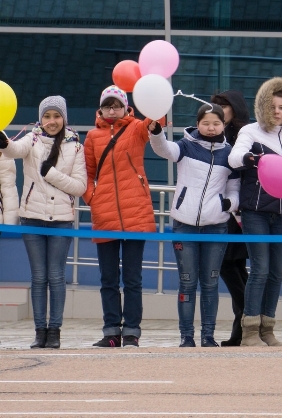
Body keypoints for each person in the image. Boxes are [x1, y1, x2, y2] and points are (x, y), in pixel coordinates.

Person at [150, 104, 240, 348]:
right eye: (205, 123)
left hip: (216, 227)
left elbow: (234, 188)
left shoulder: (230, 154)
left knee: (210, 284)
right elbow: (163, 149)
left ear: (224, 124)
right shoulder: (186, 145)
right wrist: (156, 132)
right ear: (197, 123)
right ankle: (186, 336)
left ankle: (208, 336)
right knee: (187, 282)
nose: (211, 128)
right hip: (184, 226)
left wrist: (229, 204)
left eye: (216, 123)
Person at [228, 78, 282, 347]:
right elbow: (233, 157)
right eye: (272, 106)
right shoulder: (250, 132)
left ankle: (268, 328)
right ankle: (250, 329)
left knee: (276, 272)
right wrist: (249, 158)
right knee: (260, 269)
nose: (277, 111)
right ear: (263, 107)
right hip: (256, 212)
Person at [0, 96, 83, 349]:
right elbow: (14, 150)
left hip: (61, 220)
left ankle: (55, 331)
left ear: (64, 118)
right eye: (47, 116)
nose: (51, 121)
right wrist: (3, 142)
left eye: (56, 116)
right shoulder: (32, 138)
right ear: (41, 118)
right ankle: (39, 332)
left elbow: (80, 187)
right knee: (38, 277)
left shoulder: (75, 146)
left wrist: (51, 174)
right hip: (32, 217)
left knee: (56, 277)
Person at [83, 86, 157, 348]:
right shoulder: (91, 136)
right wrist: (93, 197)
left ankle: (132, 332)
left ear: (126, 107)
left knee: (133, 279)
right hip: (104, 215)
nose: (112, 110)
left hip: (136, 213)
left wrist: (157, 96)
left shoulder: (137, 128)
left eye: (117, 106)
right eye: (108, 106)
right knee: (108, 279)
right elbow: (87, 174)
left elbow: (156, 120)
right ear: (100, 109)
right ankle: (111, 331)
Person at [210, 90, 251, 346]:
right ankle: (246, 323)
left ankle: (246, 322)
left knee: (233, 266)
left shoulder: (243, 135)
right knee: (231, 267)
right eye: (215, 105)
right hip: (217, 208)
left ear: (234, 109)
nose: (218, 109)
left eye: (223, 106)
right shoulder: (211, 132)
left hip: (237, 210)